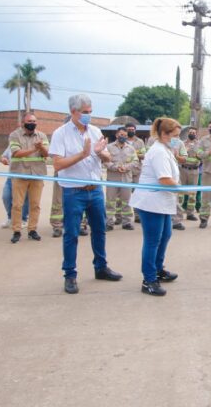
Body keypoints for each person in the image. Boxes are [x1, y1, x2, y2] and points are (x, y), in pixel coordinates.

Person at [48, 94, 122, 294]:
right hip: (73, 192)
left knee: (99, 231)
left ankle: (101, 267)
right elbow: (57, 164)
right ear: (73, 111)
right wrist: (83, 153)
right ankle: (70, 275)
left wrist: (100, 152)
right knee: (71, 234)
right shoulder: (60, 134)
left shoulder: (95, 130)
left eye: (90, 112)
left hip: (95, 189)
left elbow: (106, 158)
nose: (89, 115)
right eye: (86, 112)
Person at [129, 118, 182, 297]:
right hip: (151, 203)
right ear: (163, 134)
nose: (177, 139)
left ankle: (158, 269)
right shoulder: (158, 151)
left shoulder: (166, 149)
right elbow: (165, 179)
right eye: (174, 136)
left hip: (162, 202)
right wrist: (185, 191)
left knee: (165, 235)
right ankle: (149, 280)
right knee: (153, 240)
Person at [9, 113, 49, 243]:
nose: (32, 123)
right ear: (23, 122)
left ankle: (32, 230)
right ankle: (16, 230)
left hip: (37, 174)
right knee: (17, 205)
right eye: (29, 121)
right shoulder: (15, 135)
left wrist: (41, 147)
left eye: (34, 121)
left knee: (35, 205)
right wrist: (33, 148)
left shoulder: (42, 136)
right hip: (20, 174)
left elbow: (47, 154)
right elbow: (16, 153)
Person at [105, 126, 137, 231]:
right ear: (116, 135)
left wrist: (126, 167)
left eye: (125, 135)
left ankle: (126, 222)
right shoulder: (109, 147)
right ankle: (109, 223)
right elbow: (105, 161)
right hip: (112, 178)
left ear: (127, 136)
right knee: (110, 202)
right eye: (121, 134)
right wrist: (114, 167)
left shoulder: (131, 149)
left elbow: (135, 162)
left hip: (126, 180)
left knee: (126, 202)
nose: (122, 136)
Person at [0, 145, 29, 229]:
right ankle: (11, 217)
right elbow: (3, 156)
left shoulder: (28, 144)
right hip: (11, 177)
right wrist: (3, 160)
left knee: (24, 199)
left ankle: (23, 219)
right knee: (6, 197)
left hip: (25, 177)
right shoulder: (12, 145)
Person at [125, 122, 147, 224]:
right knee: (124, 195)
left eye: (132, 130)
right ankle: (121, 216)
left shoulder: (140, 142)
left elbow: (143, 155)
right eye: (129, 130)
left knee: (137, 194)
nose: (131, 131)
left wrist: (131, 155)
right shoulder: (122, 140)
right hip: (125, 171)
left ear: (135, 130)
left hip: (137, 171)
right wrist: (135, 154)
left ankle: (138, 215)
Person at [179, 127, 201, 222]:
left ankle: (190, 213)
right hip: (183, 170)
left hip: (194, 171)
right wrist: (185, 149)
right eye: (190, 132)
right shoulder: (181, 143)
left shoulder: (199, 144)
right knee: (180, 192)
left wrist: (199, 156)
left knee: (192, 193)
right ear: (187, 133)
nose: (192, 134)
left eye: (194, 132)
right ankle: (178, 214)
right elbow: (173, 153)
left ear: (196, 134)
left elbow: (202, 157)